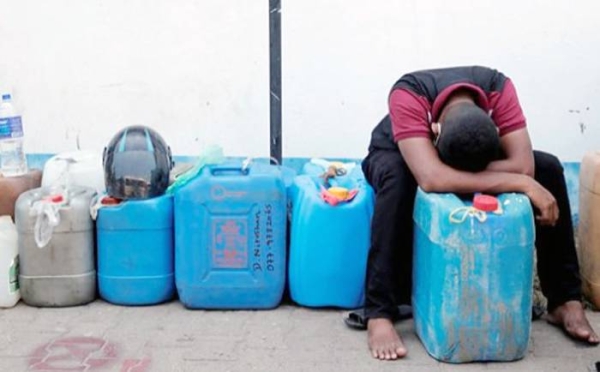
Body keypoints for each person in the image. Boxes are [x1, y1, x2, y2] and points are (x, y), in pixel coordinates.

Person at [358, 66, 599, 360]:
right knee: (397, 179)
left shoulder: (500, 89)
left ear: (494, 126)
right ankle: (378, 313)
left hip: (463, 152)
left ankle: (565, 301)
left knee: (547, 168)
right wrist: (522, 183)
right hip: (397, 153)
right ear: (435, 131)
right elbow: (432, 177)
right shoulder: (407, 94)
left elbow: (525, 165)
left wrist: (525, 178)